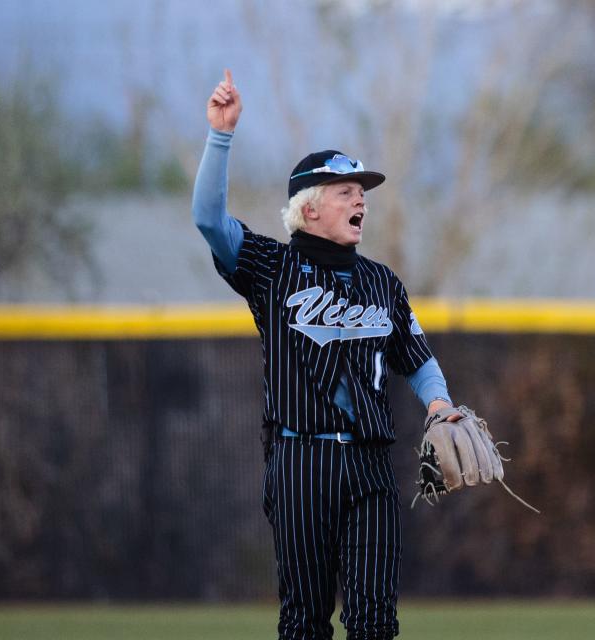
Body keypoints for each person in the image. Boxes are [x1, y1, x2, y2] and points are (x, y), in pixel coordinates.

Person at [192, 69, 460, 640]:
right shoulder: (271, 267)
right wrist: (221, 136)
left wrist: (438, 404)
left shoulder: (382, 282)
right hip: (299, 463)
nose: (360, 198)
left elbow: (417, 357)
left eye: (362, 192)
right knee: (305, 622)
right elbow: (208, 220)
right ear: (309, 209)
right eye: (346, 191)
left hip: (369, 465)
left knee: (375, 622)